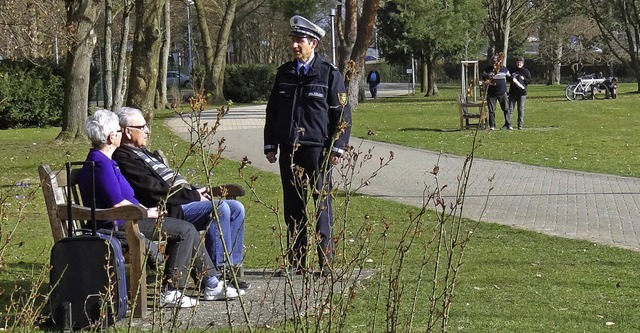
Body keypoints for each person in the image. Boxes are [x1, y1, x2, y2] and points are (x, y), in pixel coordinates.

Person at [77, 109, 242, 308]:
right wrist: (147, 212)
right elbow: (117, 205)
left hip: (131, 219)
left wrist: (146, 210)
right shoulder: (100, 165)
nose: (121, 134)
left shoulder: (107, 162)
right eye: (119, 132)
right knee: (184, 230)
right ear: (112, 137)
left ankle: (211, 283)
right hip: (119, 225)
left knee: (184, 228)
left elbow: (124, 199)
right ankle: (173, 291)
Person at [111, 107, 250, 291]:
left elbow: (169, 181)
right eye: (142, 127)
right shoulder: (124, 158)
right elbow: (154, 191)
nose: (148, 130)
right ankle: (217, 274)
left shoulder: (144, 153)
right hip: (170, 208)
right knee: (220, 209)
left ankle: (230, 268)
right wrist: (193, 196)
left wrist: (195, 190)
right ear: (128, 131)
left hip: (183, 199)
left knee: (236, 207)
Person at [263, 15, 351, 276]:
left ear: (313, 43)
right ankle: (298, 264)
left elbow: (342, 115)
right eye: (293, 41)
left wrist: (337, 147)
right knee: (293, 207)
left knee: (321, 207)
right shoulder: (284, 73)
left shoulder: (329, 74)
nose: (294, 46)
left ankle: (326, 264)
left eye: (299, 41)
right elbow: (273, 112)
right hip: (290, 151)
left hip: (318, 150)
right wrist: (271, 144)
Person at [482, 54, 512, 130]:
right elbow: (484, 79)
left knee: (506, 109)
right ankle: (492, 125)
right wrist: (487, 81)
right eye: (493, 61)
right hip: (491, 93)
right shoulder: (487, 70)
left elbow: (510, 78)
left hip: (502, 92)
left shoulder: (504, 69)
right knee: (491, 110)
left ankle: (508, 124)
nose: (495, 62)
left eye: (496, 61)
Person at [508, 56, 531, 130]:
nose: (519, 64)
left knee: (520, 109)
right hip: (512, 92)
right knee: (510, 109)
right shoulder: (512, 70)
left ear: (523, 63)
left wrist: (524, 79)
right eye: (518, 62)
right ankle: (509, 124)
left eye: (520, 62)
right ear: (516, 63)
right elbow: (508, 78)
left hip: (522, 93)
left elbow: (530, 80)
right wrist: (512, 78)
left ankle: (520, 125)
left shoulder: (526, 71)